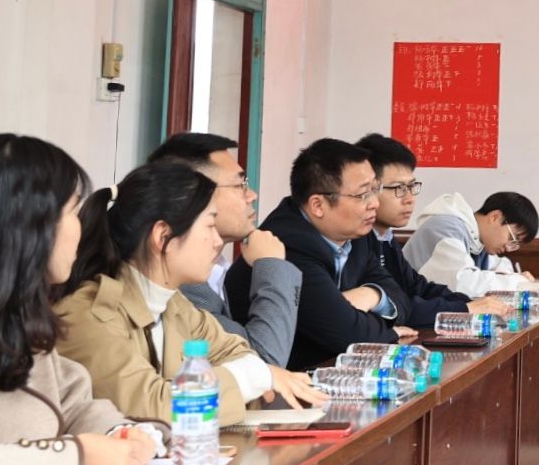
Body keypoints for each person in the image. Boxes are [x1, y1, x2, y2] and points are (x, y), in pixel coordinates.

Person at [0, 134, 160, 465]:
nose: (81, 226)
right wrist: (76, 460)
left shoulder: (18, 321)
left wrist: (118, 433)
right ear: (28, 226)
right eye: (72, 210)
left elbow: (71, 405)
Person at [56, 162, 325, 426]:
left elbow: (243, 356)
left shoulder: (175, 305)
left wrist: (251, 376)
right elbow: (157, 408)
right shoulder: (89, 314)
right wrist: (253, 377)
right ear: (163, 236)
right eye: (209, 226)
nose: (217, 241)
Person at [226, 139, 412, 370]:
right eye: (364, 194)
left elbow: (401, 300)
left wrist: (371, 294)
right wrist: (388, 331)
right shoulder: (288, 244)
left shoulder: (356, 235)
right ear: (318, 205)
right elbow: (348, 334)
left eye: (375, 189)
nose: (375, 203)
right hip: (274, 380)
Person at [146, 133, 301, 366]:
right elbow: (264, 363)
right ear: (193, 195)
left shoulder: (213, 267)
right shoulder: (179, 282)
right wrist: (272, 264)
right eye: (239, 185)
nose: (252, 195)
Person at [355, 134, 509, 323]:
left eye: (412, 186)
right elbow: (395, 305)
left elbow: (418, 287)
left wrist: (470, 303)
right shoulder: (355, 241)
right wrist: (465, 308)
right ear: (368, 188)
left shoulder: (386, 238)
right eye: (399, 188)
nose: (410, 199)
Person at [404, 190, 539, 297]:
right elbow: (462, 283)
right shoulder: (446, 229)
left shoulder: (478, 240)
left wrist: (509, 277)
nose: (509, 248)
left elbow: (500, 265)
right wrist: (517, 282)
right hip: (404, 313)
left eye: (515, 244)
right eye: (512, 238)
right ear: (495, 217)